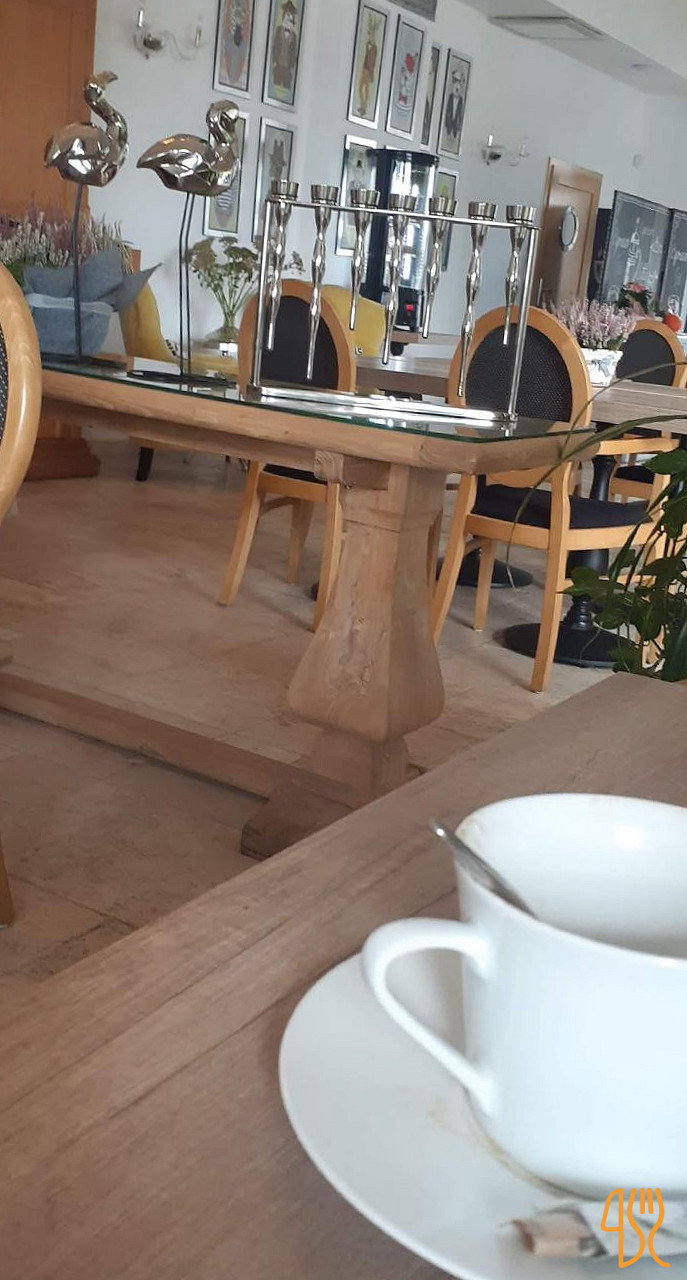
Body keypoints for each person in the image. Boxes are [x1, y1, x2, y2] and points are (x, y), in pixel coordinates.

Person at [272, 0, 299, 92]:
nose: (288, 21)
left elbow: (293, 52)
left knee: (287, 87)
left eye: (290, 20)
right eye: (287, 17)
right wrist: (274, 61)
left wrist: (291, 66)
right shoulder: (278, 30)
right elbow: (275, 46)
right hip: (278, 65)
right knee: (275, 83)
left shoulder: (294, 36)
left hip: (287, 68)